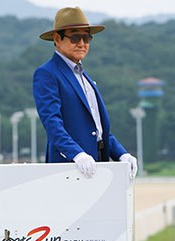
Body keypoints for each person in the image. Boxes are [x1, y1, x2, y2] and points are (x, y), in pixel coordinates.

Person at [33, 6, 137, 179]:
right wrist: (76, 154)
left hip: (97, 165)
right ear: (57, 39)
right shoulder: (47, 73)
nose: (81, 43)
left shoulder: (85, 77)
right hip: (68, 169)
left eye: (86, 37)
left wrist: (121, 153)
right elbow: (52, 124)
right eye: (75, 37)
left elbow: (98, 130)